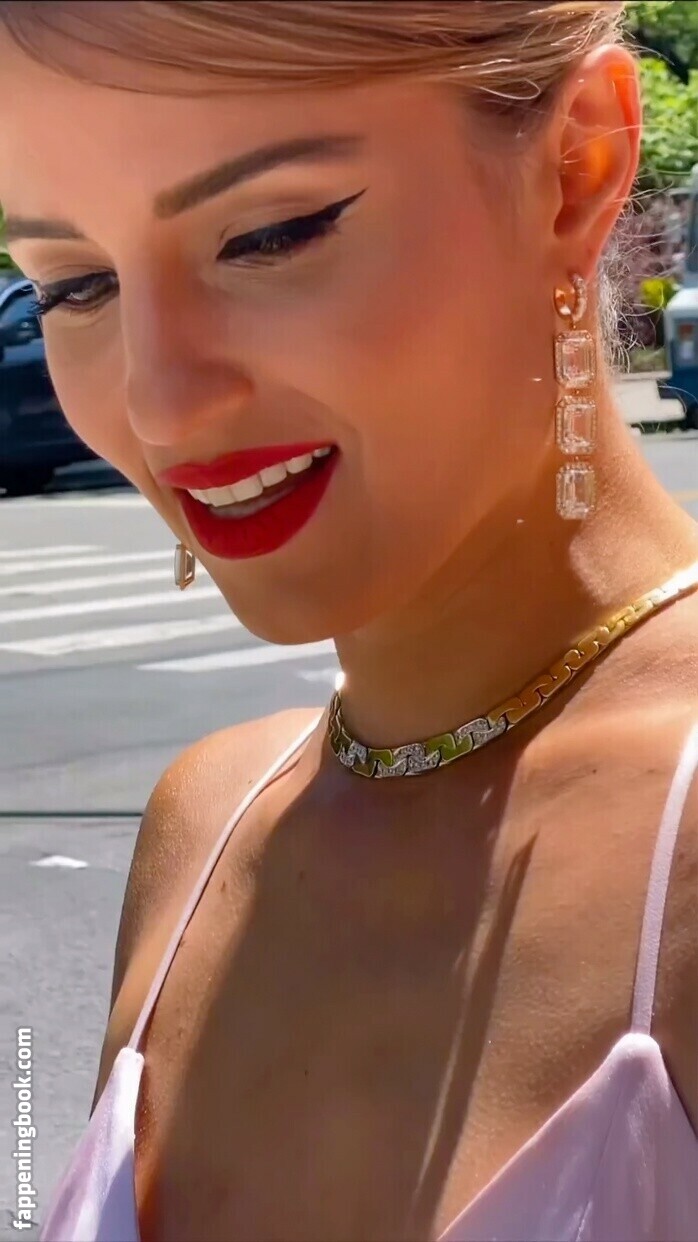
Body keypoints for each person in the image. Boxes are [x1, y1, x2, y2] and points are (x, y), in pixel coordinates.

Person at [1, 2, 697, 1239]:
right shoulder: (201, 829)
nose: (159, 405)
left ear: (575, 165)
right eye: (76, 284)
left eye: (267, 236)